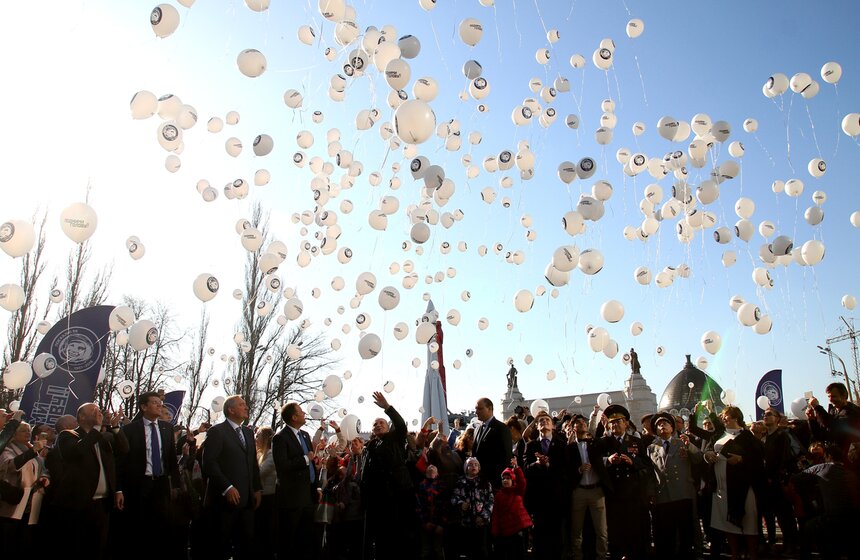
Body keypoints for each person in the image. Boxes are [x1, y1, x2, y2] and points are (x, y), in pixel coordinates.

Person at [52, 402, 126, 559]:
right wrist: (97, 429)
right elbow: (77, 451)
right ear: (82, 416)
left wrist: (115, 427)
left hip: (102, 504)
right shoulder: (68, 435)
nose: (98, 413)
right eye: (94, 411)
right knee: (77, 548)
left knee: (97, 548)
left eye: (99, 410)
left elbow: (124, 450)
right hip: (79, 503)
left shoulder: (102, 439)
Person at [116, 391, 181, 559]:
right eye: (154, 402)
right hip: (137, 485)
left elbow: (172, 461)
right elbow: (121, 462)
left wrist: (176, 485)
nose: (159, 405)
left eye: (160, 402)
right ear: (143, 407)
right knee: (137, 525)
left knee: (159, 526)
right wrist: (119, 489)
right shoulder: (130, 430)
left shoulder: (167, 428)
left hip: (160, 484)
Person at [201, 395, 262, 560]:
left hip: (247, 501)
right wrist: (226, 487)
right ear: (231, 409)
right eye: (242, 405)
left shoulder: (248, 433)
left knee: (246, 544)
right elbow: (209, 463)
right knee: (219, 546)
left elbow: (252, 464)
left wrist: (256, 488)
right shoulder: (217, 431)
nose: (246, 407)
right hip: (224, 503)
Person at [703, 406, 764, 560]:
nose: (723, 419)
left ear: (736, 418)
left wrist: (742, 459)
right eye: (722, 416)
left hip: (742, 487)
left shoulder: (747, 437)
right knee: (726, 523)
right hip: (721, 487)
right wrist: (708, 454)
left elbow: (758, 458)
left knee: (748, 522)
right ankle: (735, 554)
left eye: (726, 416)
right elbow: (708, 450)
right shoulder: (718, 435)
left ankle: (752, 553)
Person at [360, 390, 414, 560]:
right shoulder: (369, 448)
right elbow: (365, 474)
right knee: (380, 537)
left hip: (399, 494)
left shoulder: (395, 439)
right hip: (378, 499)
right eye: (375, 424)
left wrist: (387, 408)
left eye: (382, 422)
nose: (378, 425)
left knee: (399, 534)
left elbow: (401, 426)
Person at [595, 404, 651, 560]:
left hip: (633, 494)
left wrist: (633, 462)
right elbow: (595, 459)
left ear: (626, 423)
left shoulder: (636, 441)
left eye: (619, 421)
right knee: (616, 533)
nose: (615, 425)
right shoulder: (603, 442)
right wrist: (608, 460)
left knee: (634, 532)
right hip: (613, 494)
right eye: (612, 422)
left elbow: (646, 464)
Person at [646, 412, 701, 560]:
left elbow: (698, 458)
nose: (661, 426)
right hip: (663, 495)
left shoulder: (682, 442)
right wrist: (651, 492)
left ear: (672, 427)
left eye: (665, 423)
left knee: (685, 532)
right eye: (658, 425)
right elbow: (651, 472)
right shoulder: (652, 448)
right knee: (667, 533)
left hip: (683, 493)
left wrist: (690, 446)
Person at [792, 444, 860, 559]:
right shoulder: (851, 474)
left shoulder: (821, 467)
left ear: (828, 456)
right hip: (853, 519)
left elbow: (796, 479)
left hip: (832, 518)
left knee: (808, 527)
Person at [272, 402, 318, 560]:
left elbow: (311, 463)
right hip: (291, 499)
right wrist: (305, 459)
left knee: (306, 540)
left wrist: (315, 485)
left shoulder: (305, 435)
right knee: (289, 541)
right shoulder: (280, 438)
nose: (304, 413)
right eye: (301, 411)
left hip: (308, 495)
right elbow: (283, 466)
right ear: (294, 417)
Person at [0, 420, 49, 556]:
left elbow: (42, 469)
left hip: (30, 502)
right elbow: (10, 466)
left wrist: (44, 478)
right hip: (13, 502)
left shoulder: (30, 448)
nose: (27, 433)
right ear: (14, 434)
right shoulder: (7, 449)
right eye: (23, 430)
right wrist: (33, 451)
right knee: (9, 541)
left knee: (24, 542)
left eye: (28, 430)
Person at [524, 414, 568, 559]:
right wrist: (536, 464)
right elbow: (525, 469)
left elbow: (565, 469)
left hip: (556, 497)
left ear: (553, 426)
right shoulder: (531, 446)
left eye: (547, 420)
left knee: (557, 535)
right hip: (538, 498)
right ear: (537, 426)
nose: (544, 422)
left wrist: (549, 464)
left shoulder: (561, 444)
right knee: (539, 536)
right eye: (540, 421)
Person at [567, 413, 609, 560]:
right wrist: (579, 470)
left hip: (596, 491)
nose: (582, 424)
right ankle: (577, 556)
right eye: (578, 422)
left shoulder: (595, 443)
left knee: (601, 530)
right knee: (576, 529)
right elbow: (566, 471)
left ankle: (602, 556)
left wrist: (605, 428)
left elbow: (606, 445)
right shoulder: (570, 448)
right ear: (573, 427)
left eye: (584, 422)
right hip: (579, 492)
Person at [759, 407, 798, 553]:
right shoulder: (764, 438)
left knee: (785, 514)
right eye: (765, 414)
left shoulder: (782, 436)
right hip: (766, 483)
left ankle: (791, 543)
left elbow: (784, 458)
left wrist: (776, 477)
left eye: (769, 414)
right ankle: (773, 542)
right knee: (770, 514)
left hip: (779, 481)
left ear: (777, 418)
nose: (766, 416)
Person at [451, 457, 494, 560]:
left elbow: (490, 500)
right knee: (469, 550)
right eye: (470, 464)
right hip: (466, 521)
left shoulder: (484, 481)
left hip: (481, 522)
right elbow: (454, 498)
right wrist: (461, 504)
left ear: (479, 468)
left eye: (476, 465)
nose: (473, 466)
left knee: (482, 549)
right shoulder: (461, 481)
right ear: (466, 468)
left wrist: (483, 516)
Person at [490, 459, 531, 560]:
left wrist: (517, 468)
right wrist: (495, 533)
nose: (505, 480)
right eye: (503, 478)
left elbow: (522, 482)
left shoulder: (517, 491)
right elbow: (496, 515)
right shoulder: (498, 496)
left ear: (512, 480)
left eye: (508, 478)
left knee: (520, 554)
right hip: (506, 531)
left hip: (519, 530)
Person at [806, 382, 860, 455]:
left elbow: (835, 426)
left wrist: (817, 407)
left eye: (834, 396)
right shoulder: (833, 412)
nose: (831, 400)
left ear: (844, 396)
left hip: (850, 457)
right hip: (834, 457)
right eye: (829, 397)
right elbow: (821, 436)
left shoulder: (853, 412)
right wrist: (812, 420)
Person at [473, 398, 513, 490]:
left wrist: (498, 480)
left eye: (480, 409)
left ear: (489, 409)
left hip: (494, 483)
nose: (476, 412)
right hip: (479, 482)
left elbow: (506, 457)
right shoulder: (477, 430)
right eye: (476, 409)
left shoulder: (501, 428)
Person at [254, 426, 277, 559]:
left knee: (266, 531)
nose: (256, 439)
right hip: (261, 497)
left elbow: (259, 473)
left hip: (269, 498)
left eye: (258, 436)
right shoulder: (261, 454)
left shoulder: (271, 454)